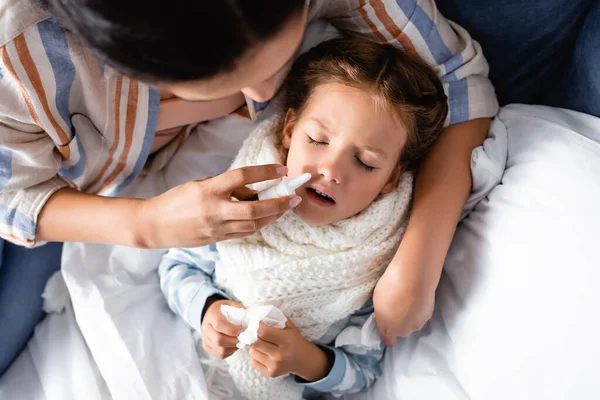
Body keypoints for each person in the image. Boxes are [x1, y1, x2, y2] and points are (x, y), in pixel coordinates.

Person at [0, 0, 500, 376]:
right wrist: (143, 224)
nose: (265, 95)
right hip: (59, 199)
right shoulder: (20, 57)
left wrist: (417, 262)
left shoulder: (369, 246)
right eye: (227, 77)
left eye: (275, 59)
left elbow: (457, 77)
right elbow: (13, 197)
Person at [159, 36, 449, 399]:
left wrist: (304, 359)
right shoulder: (243, 198)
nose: (331, 170)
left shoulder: (378, 261)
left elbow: (363, 370)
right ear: (289, 129)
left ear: (391, 178)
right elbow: (176, 266)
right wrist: (207, 309)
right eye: (317, 139)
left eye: (365, 162)